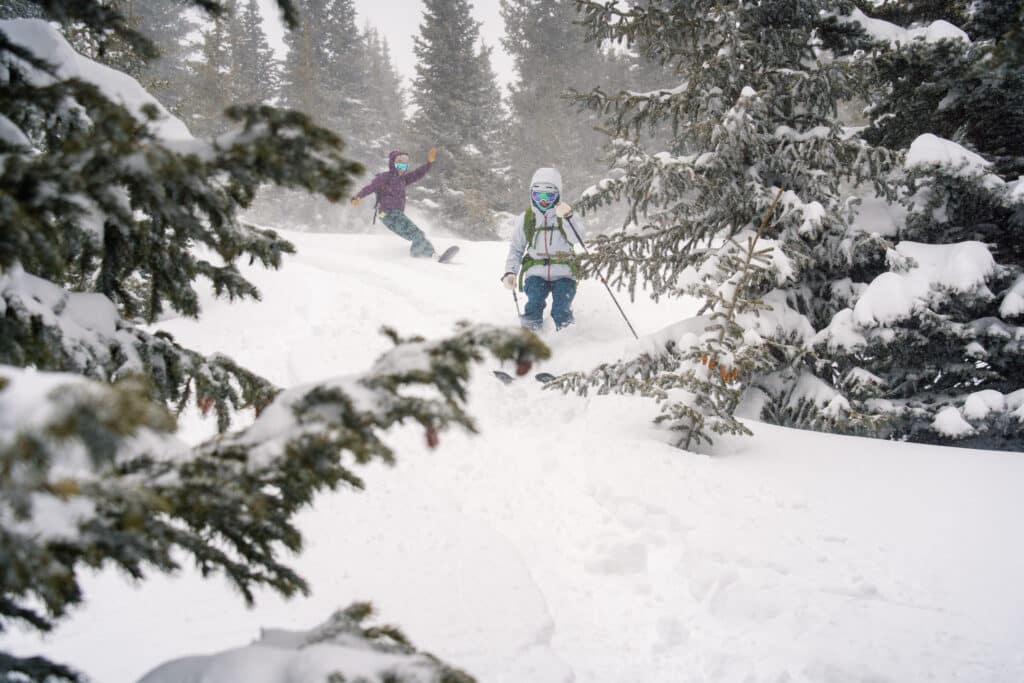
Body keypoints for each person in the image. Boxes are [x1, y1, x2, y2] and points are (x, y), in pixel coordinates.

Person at [501, 167, 584, 331]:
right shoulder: (527, 218)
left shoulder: (567, 215)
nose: (544, 201)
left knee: (561, 310)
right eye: (538, 196)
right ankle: (531, 334)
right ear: (532, 195)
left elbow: (578, 239)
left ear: (558, 195)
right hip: (536, 273)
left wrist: (568, 218)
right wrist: (510, 272)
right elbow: (516, 248)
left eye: (549, 196)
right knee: (534, 305)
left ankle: (571, 339)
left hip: (564, 273)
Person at [352, 148, 438, 258]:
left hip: (396, 214)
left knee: (417, 234)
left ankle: (429, 254)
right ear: (393, 164)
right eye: (399, 166)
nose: (402, 169)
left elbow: (418, 174)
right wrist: (358, 197)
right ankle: (423, 253)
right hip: (387, 213)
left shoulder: (403, 179)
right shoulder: (385, 177)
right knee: (416, 233)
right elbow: (370, 187)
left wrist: (429, 163)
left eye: (404, 166)